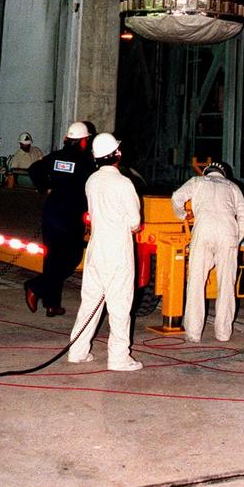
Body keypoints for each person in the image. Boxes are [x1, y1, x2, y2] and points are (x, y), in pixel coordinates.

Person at [67, 132, 143, 372]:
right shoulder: (123, 183)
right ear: (117, 154)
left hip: (96, 251)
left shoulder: (91, 181)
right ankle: (119, 358)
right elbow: (134, 222)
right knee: (120, 306)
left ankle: (77, 351)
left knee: (89, 303)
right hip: (117, 252)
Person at [171, 161, 244, 343]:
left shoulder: (197, 181)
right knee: (227, 284)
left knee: (196, 281)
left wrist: (182, 215)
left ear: (207, 172)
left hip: (203, 231)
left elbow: (177, 197)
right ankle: (223, 333)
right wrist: (235, 239)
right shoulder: (233, 186)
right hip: (227, 233)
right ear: (223, 174)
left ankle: (193, 332)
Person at [25, 120, 95, 317]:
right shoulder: (85, 161)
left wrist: (45, 187)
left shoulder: (56, 157)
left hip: (51, 213)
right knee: (71, 259)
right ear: (83, 141)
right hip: (70, 217)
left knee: (52, 260)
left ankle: (51, 305)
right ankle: (36, 287)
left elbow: (33, 169)